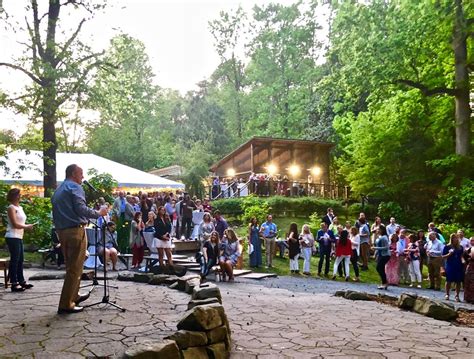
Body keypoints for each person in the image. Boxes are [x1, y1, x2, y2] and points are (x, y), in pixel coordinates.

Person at [52, 164, 108, 314]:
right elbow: (81, 209)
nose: (83, 177)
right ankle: (66, 303)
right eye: (81, 173)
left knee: (73, 266)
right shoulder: (75, 187)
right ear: (73, 174)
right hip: (75, 231)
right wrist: (99, 212)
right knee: (74, 268)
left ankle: (74, 295)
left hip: (63, 231)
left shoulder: (59, 189)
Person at [5, 188, 35, 292]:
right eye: (18, 195)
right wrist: (27, 227)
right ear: (14, 196)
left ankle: (21, 280)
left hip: (19, 236)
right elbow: (14, 224)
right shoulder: (11, 208)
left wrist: (27, 227)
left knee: (20, 260)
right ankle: (14, 283)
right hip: (12, 236)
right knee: (15, 260)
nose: (19, 196)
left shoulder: (20, 207)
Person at [442, 233, 464, 301]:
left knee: (458, 281)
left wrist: (463, 260)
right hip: (450, 265)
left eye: (457, 238)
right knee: (449, 280)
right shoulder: (447, 246)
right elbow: (443, 257)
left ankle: (457, 296)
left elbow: (461, 256)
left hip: (458, 265)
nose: (455, 239)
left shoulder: (460, 247)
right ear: (451, 239)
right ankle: (447, 294)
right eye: (454, 238)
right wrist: (449, 254)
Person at [372, 225, 391, 290]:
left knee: (379, 268)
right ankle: (384, 282)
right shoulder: (380, 237)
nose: (376, 230)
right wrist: (375, 254)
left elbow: (386, 247)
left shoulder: (384, 237)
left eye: (378, 229)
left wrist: (375, 248)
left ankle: (384, 283)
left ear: (381, 230)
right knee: (381, 268)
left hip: (385, 255)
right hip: (381, 255)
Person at [464, 237, 474, 303]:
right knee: (467, 281)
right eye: (471, 241)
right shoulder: (468, 249)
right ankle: (467, 298)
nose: (472, 242)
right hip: (470, 267)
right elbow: (463, 257)